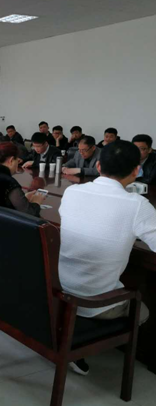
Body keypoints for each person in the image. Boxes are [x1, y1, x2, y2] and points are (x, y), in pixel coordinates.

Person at [59, 140, 151, 375]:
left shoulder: (72, 191)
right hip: (95, 302)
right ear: (136, 170)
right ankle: (83, 342)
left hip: (60, 289)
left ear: (98, 166)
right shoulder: (137, 205)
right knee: (143, 310)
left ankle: (72, 332)